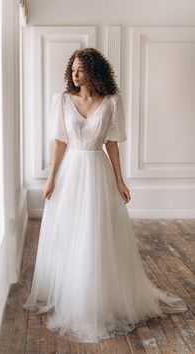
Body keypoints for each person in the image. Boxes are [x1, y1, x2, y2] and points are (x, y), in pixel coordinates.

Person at [22, 48, 188, 343]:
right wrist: (50, 180)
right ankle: (72, 294)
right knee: (70, 234)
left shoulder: (111, 102)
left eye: (80, 69)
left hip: (97, 172)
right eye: (72, 69)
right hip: (71, 172)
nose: (74, 74)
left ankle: (99, 298)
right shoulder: (60, 101)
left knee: (97, 235)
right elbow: (60, 142)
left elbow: (112, 144)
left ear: (94, 71)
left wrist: (120, 181)